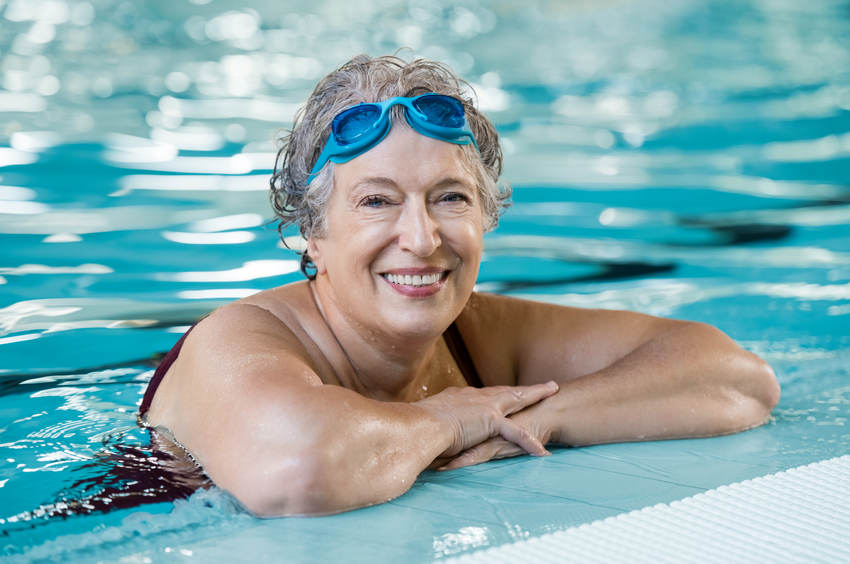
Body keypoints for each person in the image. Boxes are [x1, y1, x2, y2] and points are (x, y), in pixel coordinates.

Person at [138, 54, 780, 517]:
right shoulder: (240, 340)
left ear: (485, 216)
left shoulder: (475, 335)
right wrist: (448, 419)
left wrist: (539, 417)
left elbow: (737, 379)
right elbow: (302, 470)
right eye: (376, 202)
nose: (420, 238)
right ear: (311, 233)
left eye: (449, 198)